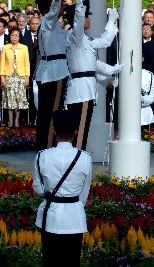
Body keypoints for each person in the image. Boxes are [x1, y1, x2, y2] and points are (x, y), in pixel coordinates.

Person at [64, 0, 122, 150]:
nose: (89, 20)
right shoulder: (75, 37)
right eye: (88, 16)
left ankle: (78, 154)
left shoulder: (85, 40)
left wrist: (111, 21)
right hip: (80, 90)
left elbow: (104, 44)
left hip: (87, 89)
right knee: (80, 129)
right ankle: (77, 157)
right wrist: (80, 4)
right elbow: (78, 24)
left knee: (83, 128)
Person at [33, 110, 92, 267]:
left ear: (54, 131)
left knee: (50, 262)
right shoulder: (85, 157)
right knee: (72, 262)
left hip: (49, 217)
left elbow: (39, 189)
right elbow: (84, 193)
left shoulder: (42, 156)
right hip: (74, 217)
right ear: (76, 132)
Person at [34, 0, 70, 150]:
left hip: (52, 70)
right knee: (51, 111)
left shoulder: (52, 25)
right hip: (54, 71)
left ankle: (44, 143)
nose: (62, 7)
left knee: (47, 111)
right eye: (60, 5)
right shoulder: (48, 21)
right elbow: (55, 10)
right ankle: (47, 144)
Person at [0, 27, 30, 128]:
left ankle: (17, 119)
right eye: (12, 35)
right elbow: (2, 63)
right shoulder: (5, 47)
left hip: (20, 77)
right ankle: (10, 120)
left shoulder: (24, 48)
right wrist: (2, 77)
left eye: (16, 35)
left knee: (19, 99)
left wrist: (27, 77)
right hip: (9, 77)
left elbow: (27, 63)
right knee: (9, 99)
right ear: (10, 36)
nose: (14, 37)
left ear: (19, 37)